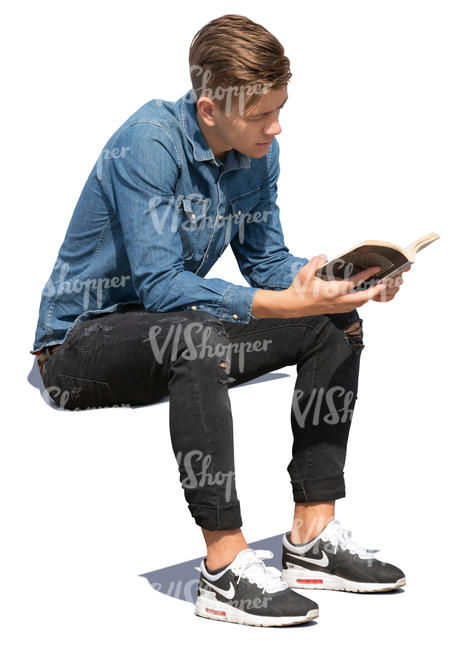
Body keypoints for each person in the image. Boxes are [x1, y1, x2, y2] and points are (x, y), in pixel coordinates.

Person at [31, 14, 408, 627]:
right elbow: (160, 285)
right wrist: (277, 303)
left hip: (175, 333)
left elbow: (265, 262)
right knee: (195, 333)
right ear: (210, 110)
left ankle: (312, 534)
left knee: (332, 323)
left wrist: (332, 283)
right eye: (261, 115)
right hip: (78, 349)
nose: (276, 127)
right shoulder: (148, 143)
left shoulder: (259, 155)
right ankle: (223, 567)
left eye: (280, 109)